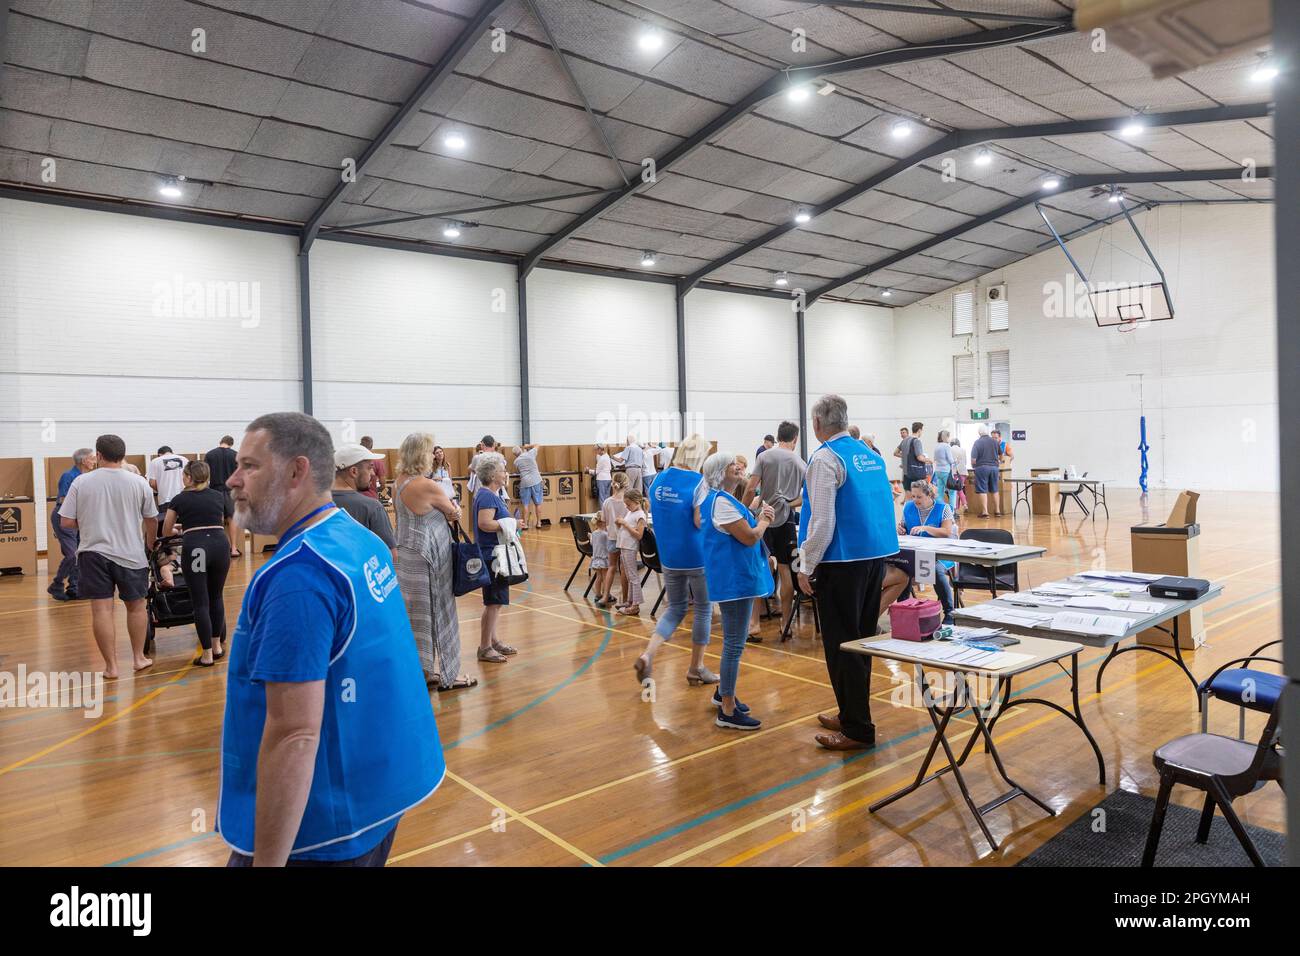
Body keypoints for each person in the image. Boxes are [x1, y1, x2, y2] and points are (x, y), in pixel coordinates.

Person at [220, 412, 443, 866]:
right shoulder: (361, 540)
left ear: (297, 471)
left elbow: (294, 734)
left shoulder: (298, 576)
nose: (233, 479)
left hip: (320, 828)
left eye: (249, 466)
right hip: (379, 799)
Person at [796, 395, 898, 751]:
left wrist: (803, 565)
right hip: (874, 559)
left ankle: (857, 728)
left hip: (840, 563)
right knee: (860, 641)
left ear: (818, 424)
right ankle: (851, 711)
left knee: (842, 647)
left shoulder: (825, 458)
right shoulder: (869, 455)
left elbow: (822, 521)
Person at [58, 434, 158, 678]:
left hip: (93, 553)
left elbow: (66, 521)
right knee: (136, 607)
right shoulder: (138, 482)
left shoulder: (81, 482)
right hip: (131, 553)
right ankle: (138, 658)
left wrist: (91, 520)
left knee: (101, 610)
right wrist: (151, 542)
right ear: (123, 455)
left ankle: (111, 667)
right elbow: (151, 518)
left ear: (99, 455)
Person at [635, 433, 717, 687]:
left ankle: (648, 654)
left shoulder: (658, 479)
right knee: (703, 608)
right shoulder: (699, 483)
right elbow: (698, 521)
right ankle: (696, 667)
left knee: (675, 608)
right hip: (696, 556)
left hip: (669, 556)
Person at [701, 451, 774, 731]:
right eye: (733, 465)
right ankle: (728, 710)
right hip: (734, 582)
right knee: (734, 643)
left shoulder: (722, 500)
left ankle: (723, 693)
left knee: (735, 641)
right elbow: (749, 536)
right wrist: (765, 519)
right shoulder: (721, 502)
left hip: (733, 579)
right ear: (721, 472)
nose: (739, 467)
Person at [394, 433, 473, 691]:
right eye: (429, 452)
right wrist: (456, 509)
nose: (432, 457)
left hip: (408, 554)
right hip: (430, 557)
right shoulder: (426, 485)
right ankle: (450, 675)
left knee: (418, 616)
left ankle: (424, 670)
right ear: (421, 455)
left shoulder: (399, 482)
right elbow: (453, 513)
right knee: (441, 612)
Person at [162, 461, 231, 666]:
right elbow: (214, 519)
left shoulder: (179, 499)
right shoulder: (218, 496)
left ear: (190, 477)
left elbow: (166, 531)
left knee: (200, 601)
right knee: (216, 596)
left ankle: (207, 655)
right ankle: (217, 646)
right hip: (220, 546)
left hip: (198, 550)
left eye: (184, 475)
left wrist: (177, 530)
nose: (182, 478)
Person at [743, 421, 806, 637]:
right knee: (787, 570)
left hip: (764, 518)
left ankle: (754, 624)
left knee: (760, 565)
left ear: (778, 437)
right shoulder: (800, 462)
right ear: (795, 439)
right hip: (786, 520)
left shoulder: (765, 456)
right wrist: (788, 504)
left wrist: (742, 510)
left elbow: (751, 487)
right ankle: (785, 623)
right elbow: (807, 497)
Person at [472, 452, 518, 664]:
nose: (505, 473)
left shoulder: (490, 494)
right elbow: (485, 523)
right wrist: (509, 524)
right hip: (494, 555)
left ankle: (493, 640)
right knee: (493, 601)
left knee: (495, 601)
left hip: (495, 552)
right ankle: (485, 647)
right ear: (492, 474)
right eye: (502, 470)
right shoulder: (488, 496)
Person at [898, 480, 956, 624]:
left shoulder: (943, 508)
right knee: (902, 570)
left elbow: (947, 532)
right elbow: (903, 527)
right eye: (913, 496)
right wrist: (900, 529)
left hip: (939, 554)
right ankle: (903, 609)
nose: (915, 500)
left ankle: (949, 612)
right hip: (916, 553)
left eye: (919, 497)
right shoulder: (908, 507)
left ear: (929, 495)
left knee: (935, 570)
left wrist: (926, 528)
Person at [331, 443, 396, 561]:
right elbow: (391, 555)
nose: (372, 473)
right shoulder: (372, 507)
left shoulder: (315, 503)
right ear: (354, 471)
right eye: (369, 468)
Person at [48, 447, 95, 601]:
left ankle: (74, 588)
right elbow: (62, 499)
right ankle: (56, 584)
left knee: (79, 554)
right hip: (64, 516)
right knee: (72, 554)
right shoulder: (68, 476)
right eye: (92, 458)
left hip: (79, 517)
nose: (94, 461)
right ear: (84, 461)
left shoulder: (87, 477)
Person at [595, 472, 630, 607]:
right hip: (626, 538)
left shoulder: (607, 502)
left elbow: (603, 521)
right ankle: (625, 598)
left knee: (611, 567)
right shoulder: (627, 501)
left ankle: (605, 596)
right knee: (624, 568)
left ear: (613, 484)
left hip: (612, 537)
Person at [205, 435, 241, 558]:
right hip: (231, 491)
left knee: (217, 520)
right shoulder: (236, 455)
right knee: (232, 519)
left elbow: (206, 475)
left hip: (215, 490)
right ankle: (234, 549)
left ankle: (219, 550)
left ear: (220, 442)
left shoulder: (210, 455)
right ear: (231, 444)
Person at [614, 488, 647, 615]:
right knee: (629, 575)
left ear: (636, 501)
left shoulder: (640, 515)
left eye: (628, 504)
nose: (627, 507)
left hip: (630, 547)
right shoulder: (631, 513)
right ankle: (630, 600)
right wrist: (620, 523)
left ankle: (635, 605)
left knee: (633, 576)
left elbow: (639, 535)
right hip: (624, 546)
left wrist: (625, 525)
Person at [971, 425, 1002, 518]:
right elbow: (1001, 455)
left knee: (982, 490)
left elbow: (973, 459)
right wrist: (998, 462)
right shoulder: (994, 441)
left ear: (979, 433)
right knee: (995, 489)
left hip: (982, 468)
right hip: (994, 468)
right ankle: (997, 511)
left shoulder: (977, 442)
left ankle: (985, 512)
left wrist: (974, 466)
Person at [512, 443, 544, 532]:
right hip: (536, 480)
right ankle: (539, 523)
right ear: (521, 450)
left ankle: (525, 525)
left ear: (515, 455)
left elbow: (518, 471)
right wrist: (527, 446)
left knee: (525, 504)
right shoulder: (530, 453)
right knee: (538, 503)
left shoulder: (516, 461)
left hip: (525, 483)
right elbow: (538, 445)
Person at [147, 446, 189, 510]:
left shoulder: (155, 461)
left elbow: (152, 483)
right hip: (184, 497)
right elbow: (190, 479)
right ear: (172, 452)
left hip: (165, 499)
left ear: (159, 454)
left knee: (167, 519)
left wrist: (161, 490)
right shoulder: (184, 459)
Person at [931, 429, 956, 513]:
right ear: (946, 437)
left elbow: (934, 459)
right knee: (952, 492)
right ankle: (951, 512)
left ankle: (939, 510)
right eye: (948, 436)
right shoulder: (946, 446)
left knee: (940, 492)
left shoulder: (937, 446)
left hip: (938, 471)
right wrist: (955, 461)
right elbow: (950, 460)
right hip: (946, 471)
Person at [900, 421, 930, 486]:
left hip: (906, 473)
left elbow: (896, 453)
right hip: (915, 473)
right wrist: (929, 460)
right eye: (922, 430)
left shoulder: (904, 440)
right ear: (919, 430)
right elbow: (919, 457)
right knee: (918, 493)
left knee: (908, 494)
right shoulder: (916, 441)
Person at [359, 436, 388, 501]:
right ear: (371, 446)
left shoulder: (354, 460)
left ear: (360, 445)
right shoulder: (377, 461)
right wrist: (381, 489)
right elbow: (382, 482)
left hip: (357, 497)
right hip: (372, 497)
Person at [949, 436, 969, 513]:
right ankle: (963, 505)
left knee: (955, 490)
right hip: (963, 472)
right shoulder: (963, 450)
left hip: (954, 472)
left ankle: (957, 508)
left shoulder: (949, 450)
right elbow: (965, 462)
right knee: (959, 489)